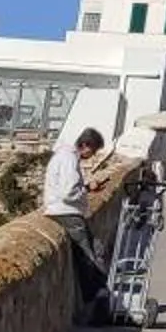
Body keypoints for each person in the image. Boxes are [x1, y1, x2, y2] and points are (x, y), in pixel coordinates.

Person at [45, 125, 110, 321]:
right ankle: (95, 299)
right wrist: (86, 189)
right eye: (94, 151)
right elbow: (68, 193)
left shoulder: (66, 156)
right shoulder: (69, 158)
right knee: (89, 256)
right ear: (86, 146)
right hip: (66, 213)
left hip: (64, 211)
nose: (93, 156)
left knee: (95, 249)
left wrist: (86, 188)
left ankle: (97, 295)